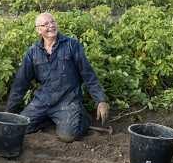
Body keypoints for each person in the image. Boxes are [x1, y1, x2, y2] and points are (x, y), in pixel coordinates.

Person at [6, 12, 110, 142]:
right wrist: (9, 113)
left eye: (53, 22)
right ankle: (50, 118)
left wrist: (100, 100)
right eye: (46, 24)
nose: (51, 26)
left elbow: (88, 74)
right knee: (19, 127)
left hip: (67, 101)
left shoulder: (72, 45)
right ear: (39, 30)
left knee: (68, 136)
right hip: (42, 101)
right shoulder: (33, 52)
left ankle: (82, 118)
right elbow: (21, 83)